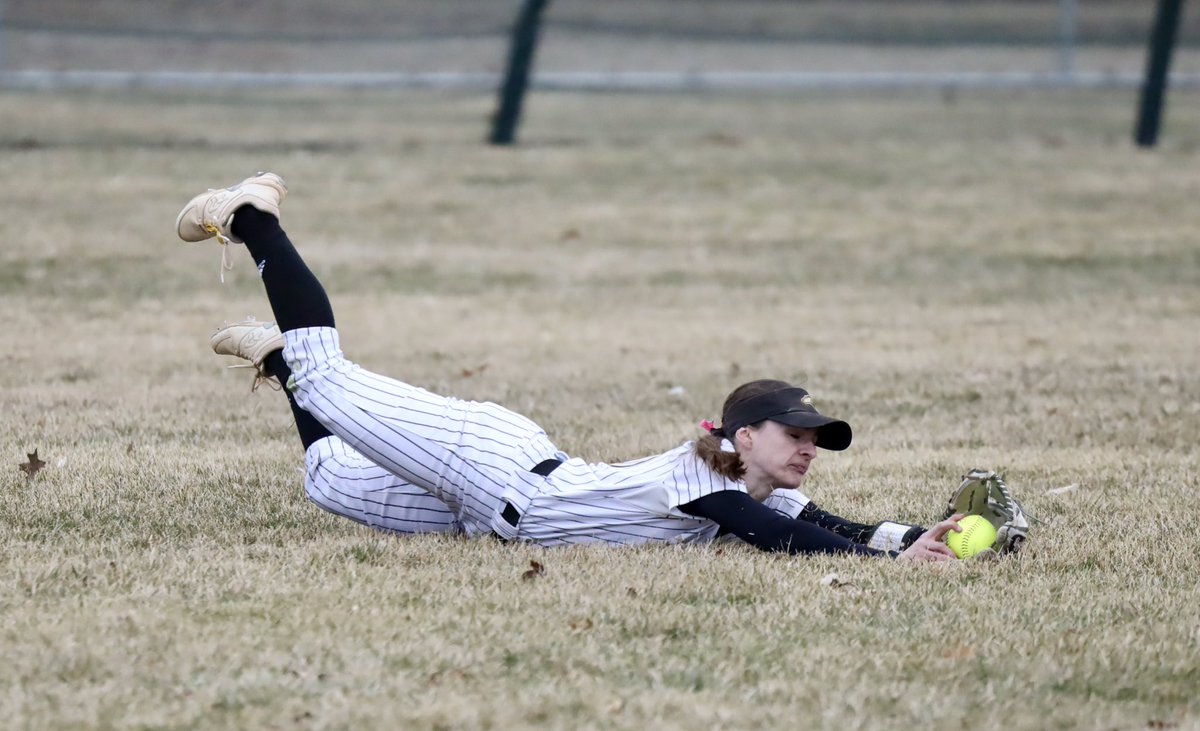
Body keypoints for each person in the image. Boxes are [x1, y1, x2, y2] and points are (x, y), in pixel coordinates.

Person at [176, 173, 961, 562]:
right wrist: (877, 566)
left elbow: (831, 526)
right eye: (795, 434)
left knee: (328, 480)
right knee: (328, 374)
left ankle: (280, 362)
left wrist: (915, 540)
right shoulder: (709, 481)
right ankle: (253, 215)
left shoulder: (750, 485)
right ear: (742, 435)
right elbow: (769, 534)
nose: (808, 447)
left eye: (816, 437)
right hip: (486, 464)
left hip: (488, 507)